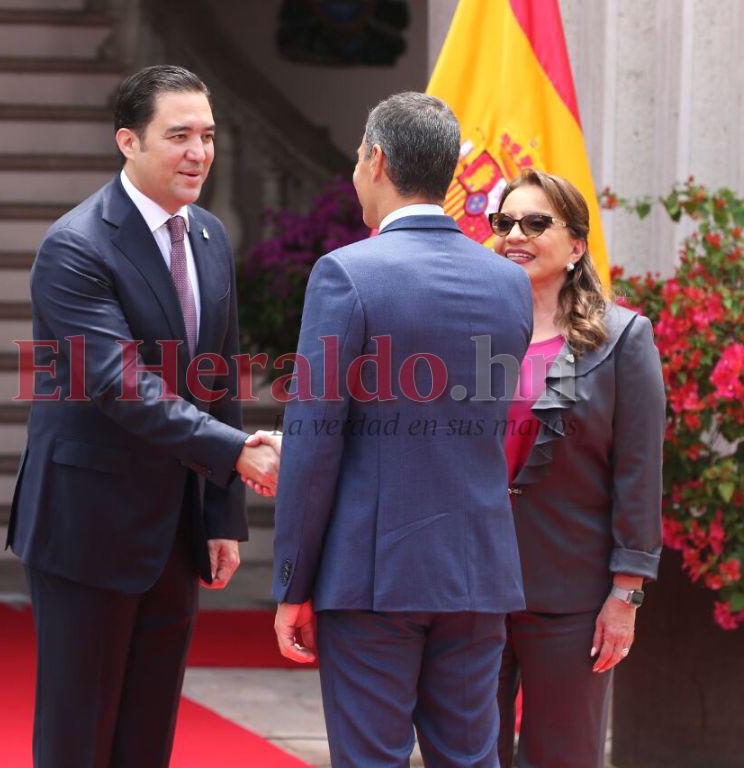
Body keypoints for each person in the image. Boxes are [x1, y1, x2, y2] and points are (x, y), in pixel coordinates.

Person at [7, 64, 279, 768]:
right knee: (80, 733)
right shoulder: (76, 246)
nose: (199, 152)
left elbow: (216, 377)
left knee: (147, 733)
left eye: (209, 136)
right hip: (86, 522)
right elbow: (120, 383)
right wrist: (235, 452)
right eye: (179, 135)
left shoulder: (212, 237)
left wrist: (221, 516)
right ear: (128, 142)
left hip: (175, 529)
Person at [269, 92, 533, 766]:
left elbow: (314, 441)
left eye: (359, 156)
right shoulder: (510, 283)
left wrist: (293, 583)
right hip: (476, 568)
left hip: (374, 573)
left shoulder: (347, 274)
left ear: (376, 161)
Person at [490, 169, 665, 768]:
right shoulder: (469, 331)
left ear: (578, 245)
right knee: (464, 754)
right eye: (504, 222)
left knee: (561, 755)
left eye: (536, 223)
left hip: (574, 594)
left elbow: (638, 474)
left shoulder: (623, 338)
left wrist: (627, 592)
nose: (516, 234)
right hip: (471, 584)